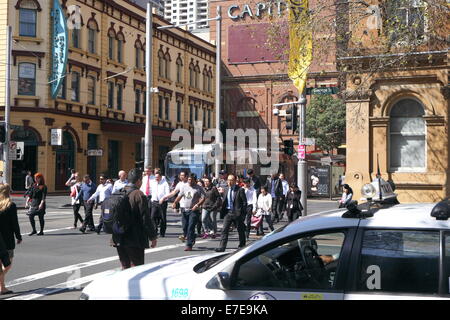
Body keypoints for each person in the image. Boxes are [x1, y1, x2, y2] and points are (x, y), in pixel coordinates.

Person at [111, 168, 157, 270]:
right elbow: (145, 218)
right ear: (139, 181)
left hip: (118, 237)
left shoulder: (119, 192)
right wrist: (153, 236)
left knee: (125, 267)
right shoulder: (139, 195)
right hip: (134, 238)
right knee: (136, 269)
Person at [172, 174, 206, 251]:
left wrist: (197, 205)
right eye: (189, 179)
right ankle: (192, 236)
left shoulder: (198, 188)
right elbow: (180, 196)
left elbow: (203, 198)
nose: (190, 181)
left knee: (191, 227)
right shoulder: (184, 186)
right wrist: (175, 203)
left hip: (194, 210)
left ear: (195, 180)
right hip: (185, 209)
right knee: (185, 227)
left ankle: (189, 245)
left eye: (191, 180)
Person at [215, 174, 247, 252]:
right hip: (228, 213)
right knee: (224, 230)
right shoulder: (225, 189)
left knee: (240, 230)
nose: (229, 181)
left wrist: (242, 214)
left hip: (237, 213)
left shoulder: (240, 190)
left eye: (231, 180)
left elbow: (244, 202)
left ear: (235, 181)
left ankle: (242, 245)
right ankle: (222, 247)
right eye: (228, 180)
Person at [0, 184, 22, 295]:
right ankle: (2, 287)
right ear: (9, 192)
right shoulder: (11, 205)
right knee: (8, 264)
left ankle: (2, 288)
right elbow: (15, 223)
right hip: (7, 240)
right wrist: (18, 236)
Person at [162, 171, 189, 242]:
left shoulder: (190, 183)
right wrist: (165, 197)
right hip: (183, 206)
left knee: (190, 223)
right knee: (184, 223)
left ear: (186, 176)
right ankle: (186, 235)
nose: (181, 177)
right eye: (180, 175)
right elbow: (174, 192)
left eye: (183, 175)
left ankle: (189, 237)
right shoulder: (179, 184)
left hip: (191, 206)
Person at [150, 170, 170, 237]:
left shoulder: (165, 183)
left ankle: (162, 232)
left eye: (157, 177)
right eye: (155, 177)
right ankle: (154, 230)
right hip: (154, 202)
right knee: (152, 217)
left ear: (161, 177)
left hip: (162, 202)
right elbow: (150, 191)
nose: (156, 178)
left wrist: (163, 198)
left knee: (163, 218)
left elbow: (168, 194)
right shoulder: (153, 183)